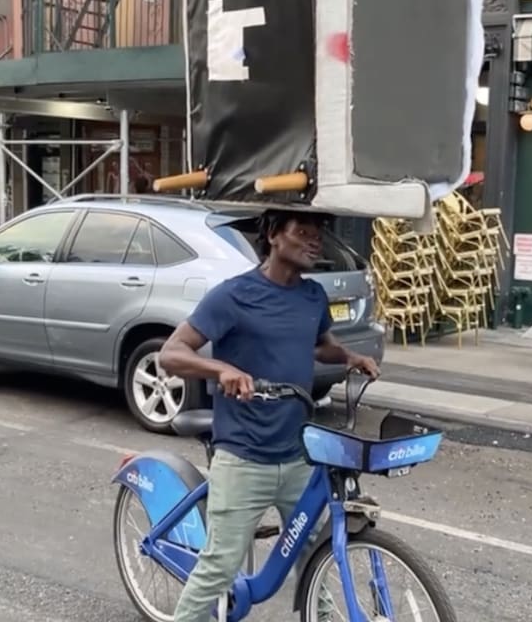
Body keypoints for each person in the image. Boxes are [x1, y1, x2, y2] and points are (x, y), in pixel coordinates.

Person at [159, 210, 381, 622]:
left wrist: (349, 356)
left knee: (316, 555)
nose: (314, 241)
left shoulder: (312, 296)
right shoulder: (234, 295)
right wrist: (222, 369)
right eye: (303, 233)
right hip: (244, 454)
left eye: (318, 235)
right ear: (274, 236)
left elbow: (318, 345)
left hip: (298, 455)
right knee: (220, 566)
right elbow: (171, 353)